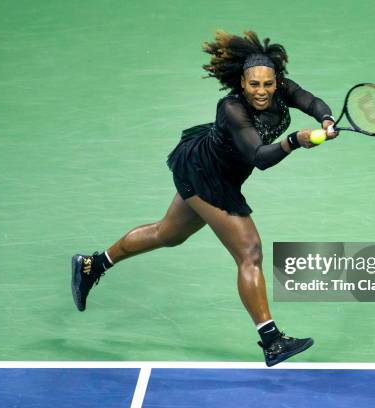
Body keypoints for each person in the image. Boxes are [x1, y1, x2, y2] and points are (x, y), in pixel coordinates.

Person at [71, 30, 339, 367]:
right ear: (242, 82)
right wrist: (294, 141)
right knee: (250, 252)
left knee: (166, 234)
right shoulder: (231, 108)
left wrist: (326, 119)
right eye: (254, 84)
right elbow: (259, 156)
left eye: (268, 84)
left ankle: (91, 265)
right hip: (206, 175)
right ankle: (272, 341)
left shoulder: (281, 88)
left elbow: (311, 102)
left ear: (276, 80)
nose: (261, 91)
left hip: (212, 172)